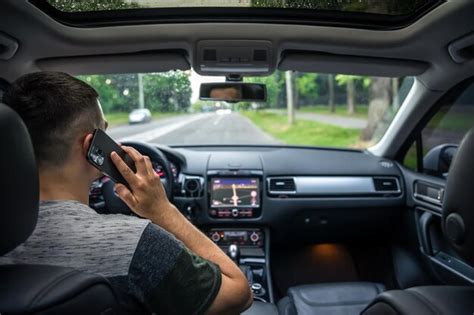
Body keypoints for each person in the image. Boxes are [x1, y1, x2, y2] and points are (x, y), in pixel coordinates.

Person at [0, 72, 252, 314]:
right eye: (105, 132)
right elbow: (238, 294)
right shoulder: (135, 243)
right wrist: (162, 210)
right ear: (92, 147)